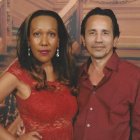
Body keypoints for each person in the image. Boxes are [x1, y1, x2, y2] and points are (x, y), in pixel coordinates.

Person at [0, 9, 77, 140]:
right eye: (37, 34)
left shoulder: (65, 69)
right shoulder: (19, 72)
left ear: (58, 40)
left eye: (51, 34)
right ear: (28, 40)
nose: (44, 42)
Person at [74, 7, 140, 140]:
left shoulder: (134, 77)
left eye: (105, 33)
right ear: (83, 39)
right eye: (92, 33)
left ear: (115, 39)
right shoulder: (75, 75)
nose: (98, 40)